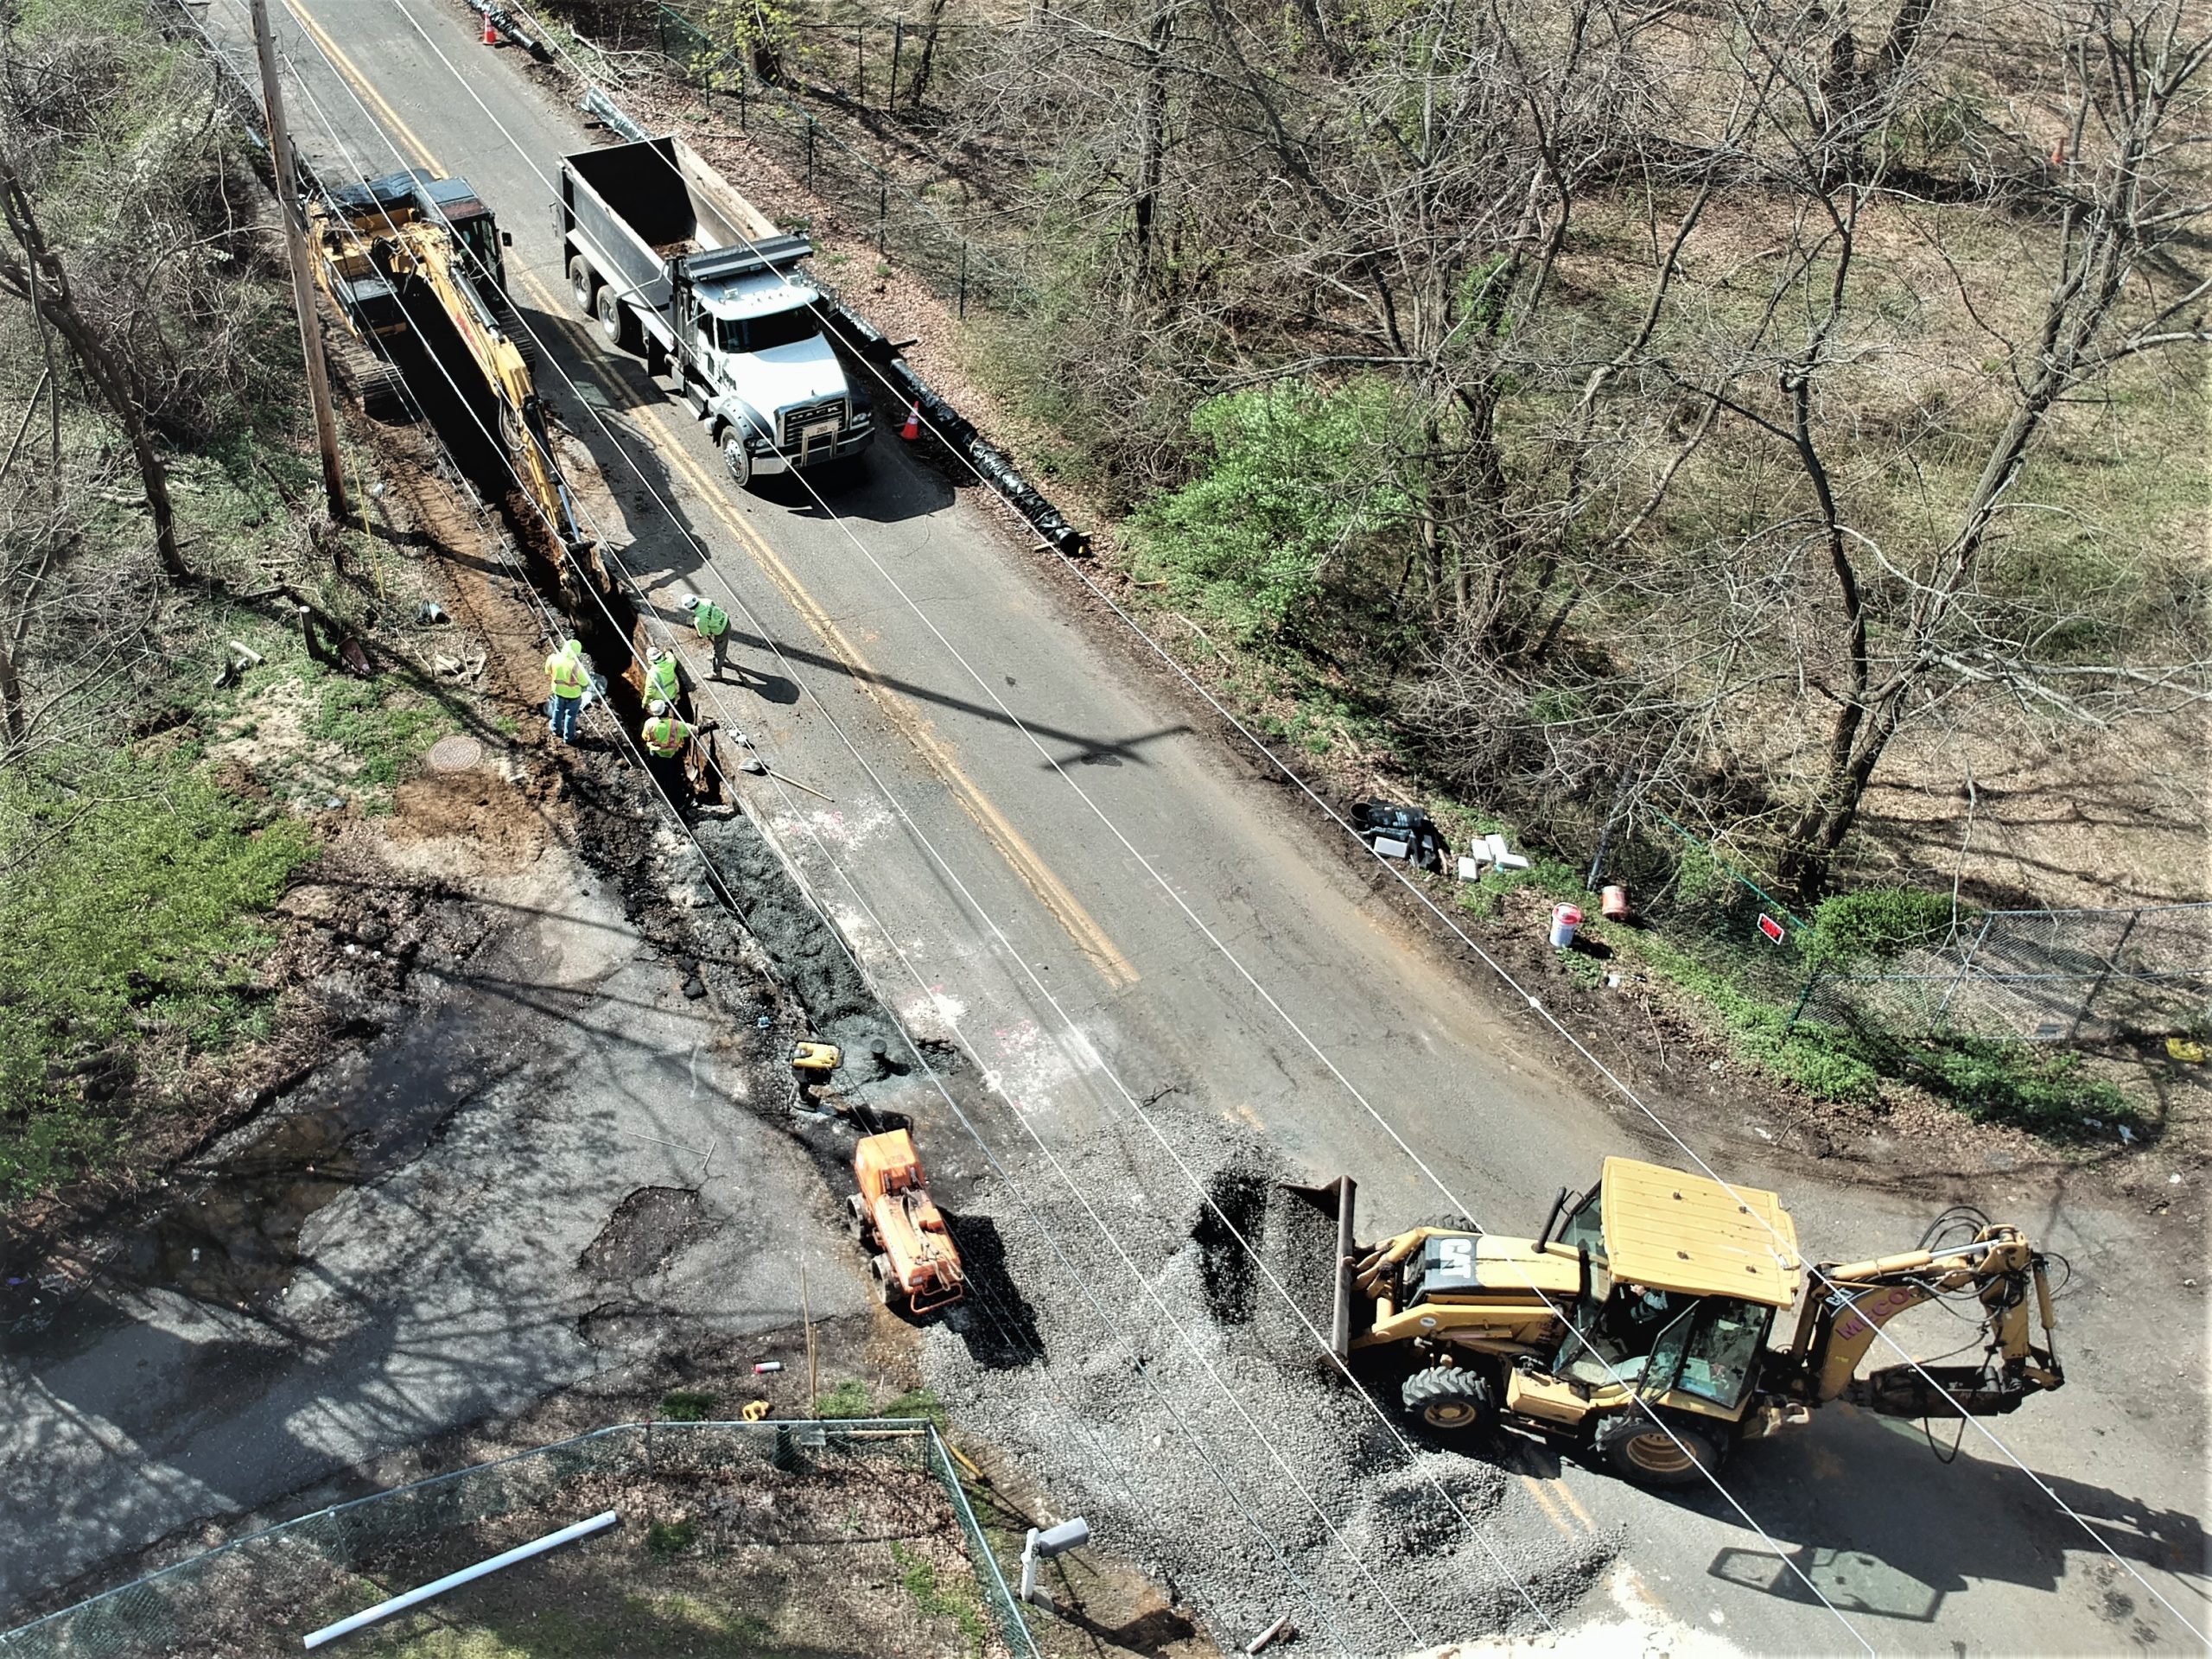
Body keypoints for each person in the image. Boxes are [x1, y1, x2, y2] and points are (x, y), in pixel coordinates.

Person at [640, 699, 716, 804]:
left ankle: (662, 794)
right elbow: (696, 730)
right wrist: (710, 726)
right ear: (666, 710)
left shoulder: (649, 723)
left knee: (660, 777)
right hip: (671, 757)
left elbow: (645, 737)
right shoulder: (675, 725)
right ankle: (679, 800)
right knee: (674, 779)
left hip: (655, 756)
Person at [681, 594, 734, 678]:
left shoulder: (700, 620)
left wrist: (697, 624)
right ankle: (716, 657)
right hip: (725, 620)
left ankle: (717, 673)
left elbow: (703, 633)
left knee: (720, 650)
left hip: (721, 630)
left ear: (689, 608)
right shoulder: (706, 601)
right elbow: (709, 610)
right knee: (719, 646)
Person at [544, 637, 587, 743]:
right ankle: (569, 737)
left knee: (558, 710)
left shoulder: (553, 658)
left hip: (558, 691)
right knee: (570, 716)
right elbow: (584, 682)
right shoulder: (576, 666)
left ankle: (555, 729)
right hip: (573, 695)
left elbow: (547, 671)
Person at [644, 645, 682, 709]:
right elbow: (671, 656)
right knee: (670, 708)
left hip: (660, 701)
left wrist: (644, 703)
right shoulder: (671, 663)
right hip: (672, 696)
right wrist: (667, 652)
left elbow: (649, 692)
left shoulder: (652, 673)